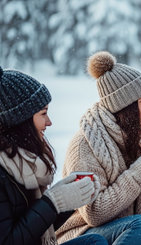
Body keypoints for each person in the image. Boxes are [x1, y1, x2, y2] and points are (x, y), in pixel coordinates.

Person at [55, 51, 141, 244]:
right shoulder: (85, 144)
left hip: (131, 227)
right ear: (124, 106)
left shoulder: (138, 137)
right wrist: (135, 176)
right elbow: (94, 213)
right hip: (86, 233)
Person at [0, 67, 107, 245]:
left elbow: (36, 227)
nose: (49, 122)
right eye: (43, 114)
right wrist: (52, 202)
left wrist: (69, 201)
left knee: (95, 241)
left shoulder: (24, 161)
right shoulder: (4, 173)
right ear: (20, 120)